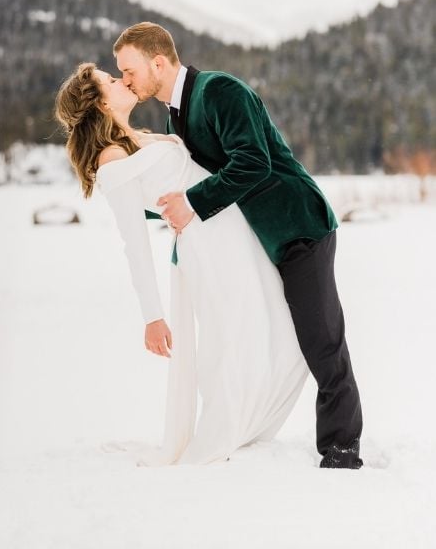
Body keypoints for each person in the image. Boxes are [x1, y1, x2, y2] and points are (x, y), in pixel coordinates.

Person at [112, 22, 364, 470]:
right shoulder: (176, 114)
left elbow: (253, 162)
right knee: (277, 337)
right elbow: (198, 181)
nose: (127, 81)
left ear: (157, 62)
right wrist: (148, 206)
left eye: (128, 71)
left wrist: (192, 203)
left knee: (321, 340)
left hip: (300, 226)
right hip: (261, 238)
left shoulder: (219, 91)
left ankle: (341, 450)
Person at [54, 62, 309, 466]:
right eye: (110, 80)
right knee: (230, 335)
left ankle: (249, 424)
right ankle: (222, 434)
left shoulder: (135, 138)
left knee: (276, 325)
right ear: (99, 102)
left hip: (231, 229)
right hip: (208, 245)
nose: (120, 80)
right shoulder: (111, 158)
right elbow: (133, 242)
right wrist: (153, 316)